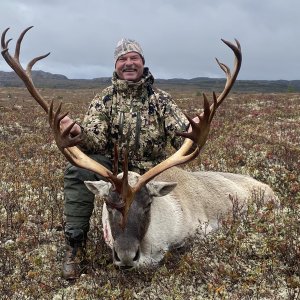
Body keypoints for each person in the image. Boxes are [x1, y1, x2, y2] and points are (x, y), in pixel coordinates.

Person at [60, 38, 192, 280]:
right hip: (114, 174)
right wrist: (78, 132)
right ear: (116, 65)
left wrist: (193, 131)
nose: (128, 63)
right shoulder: (104, 99)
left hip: (151, 172)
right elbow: (95, 140)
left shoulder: (161, 100)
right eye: (123, 59)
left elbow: (181, 138)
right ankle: (75, 246)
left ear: (142, 63)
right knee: (78, 171)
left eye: (134, 58)